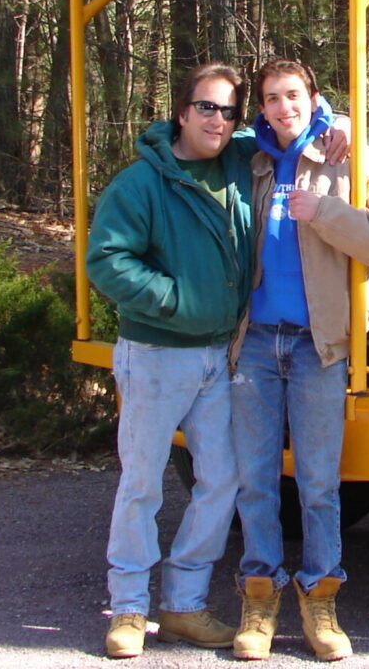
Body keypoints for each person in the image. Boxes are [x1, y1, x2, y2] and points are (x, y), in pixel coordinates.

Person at [230, 58, 369, 662]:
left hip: (319, 344)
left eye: (294, 96)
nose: (285, 108)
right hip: (255, 342)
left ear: (313, 98)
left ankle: (321, 599)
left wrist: (325, 211)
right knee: (254, 481)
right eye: (272, 99)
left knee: (316, 484)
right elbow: (185, 136)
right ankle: (259, 599)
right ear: (261, 108)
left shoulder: (348, 157)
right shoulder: (250, 160)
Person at [86, 63, 254, 659]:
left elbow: (299, 123)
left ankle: (183, 604)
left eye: (230, 111)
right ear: (181, 112)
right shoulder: (141, 184)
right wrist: (176, 301)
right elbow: (106, 261)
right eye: (207, 108)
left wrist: (331, 125)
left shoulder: (238, 165)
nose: (219, 121)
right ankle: (128, 609)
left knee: (222, 480)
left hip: (220, 357)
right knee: (141, 483)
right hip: (156, 353)